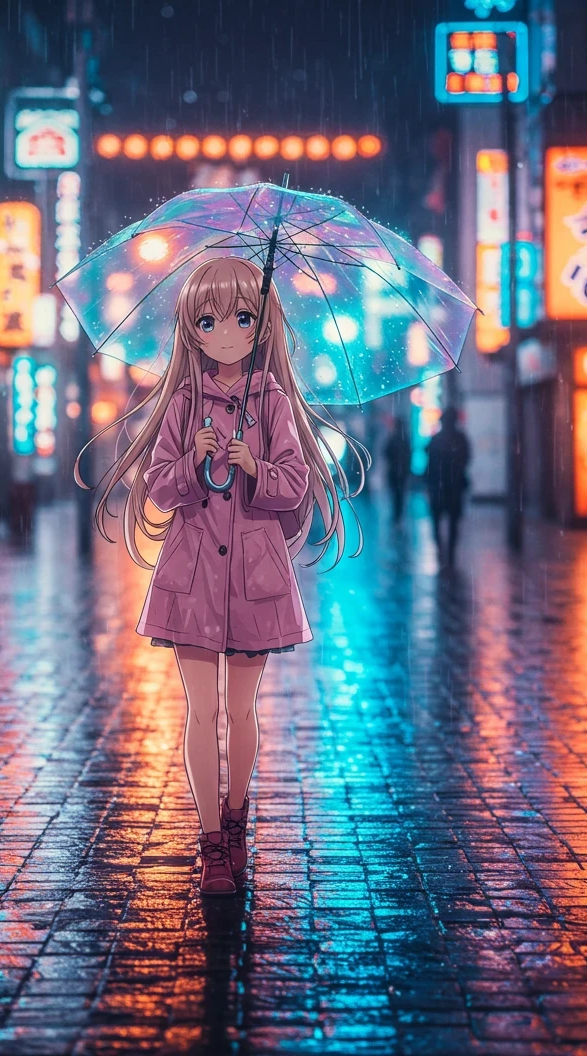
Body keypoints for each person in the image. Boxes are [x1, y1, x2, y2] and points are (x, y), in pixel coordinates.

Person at [84, 257, 367, 896]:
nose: (226, 332)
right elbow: (157, 485)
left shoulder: (272, 401)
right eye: (209, 319)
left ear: (261, 325)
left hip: (253, 576)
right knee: (199, 710)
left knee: (241, 710)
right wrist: (193, 459)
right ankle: (209, 839)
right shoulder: (182, 399)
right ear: (193, 328)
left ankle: (237, 824)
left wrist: (256, 465)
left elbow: (294, 484)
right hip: (191, 574)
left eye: (242, 318)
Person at [425, 407, 471, 569]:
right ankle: (450, 554)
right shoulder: (461, 439)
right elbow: (467, 459)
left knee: (437, 520)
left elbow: (429, 464)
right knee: (453, 522)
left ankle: (441, 550)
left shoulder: (436, 439)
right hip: (454, 486)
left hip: (439, 486)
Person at [384, 415, 412, 523]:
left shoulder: (393, 438)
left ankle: (397, 515)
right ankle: (399, 515)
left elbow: (386, 453)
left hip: (394, 472)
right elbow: (409, 454)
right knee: (401, 494)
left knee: (395, 494)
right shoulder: (405, 439)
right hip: (402, 472)